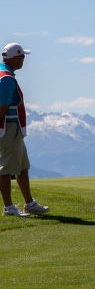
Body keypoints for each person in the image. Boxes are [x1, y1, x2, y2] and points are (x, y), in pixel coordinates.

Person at [0, 43, 49, 217]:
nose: (23, 61)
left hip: (12, 128)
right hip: (8, 128)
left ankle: (29, 203)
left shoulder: (3, 73)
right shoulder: (7, 78)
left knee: (22, 167)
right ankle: (9, 208)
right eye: (22, 57)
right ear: (15, 58)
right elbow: (2, 107)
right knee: (5, 169)